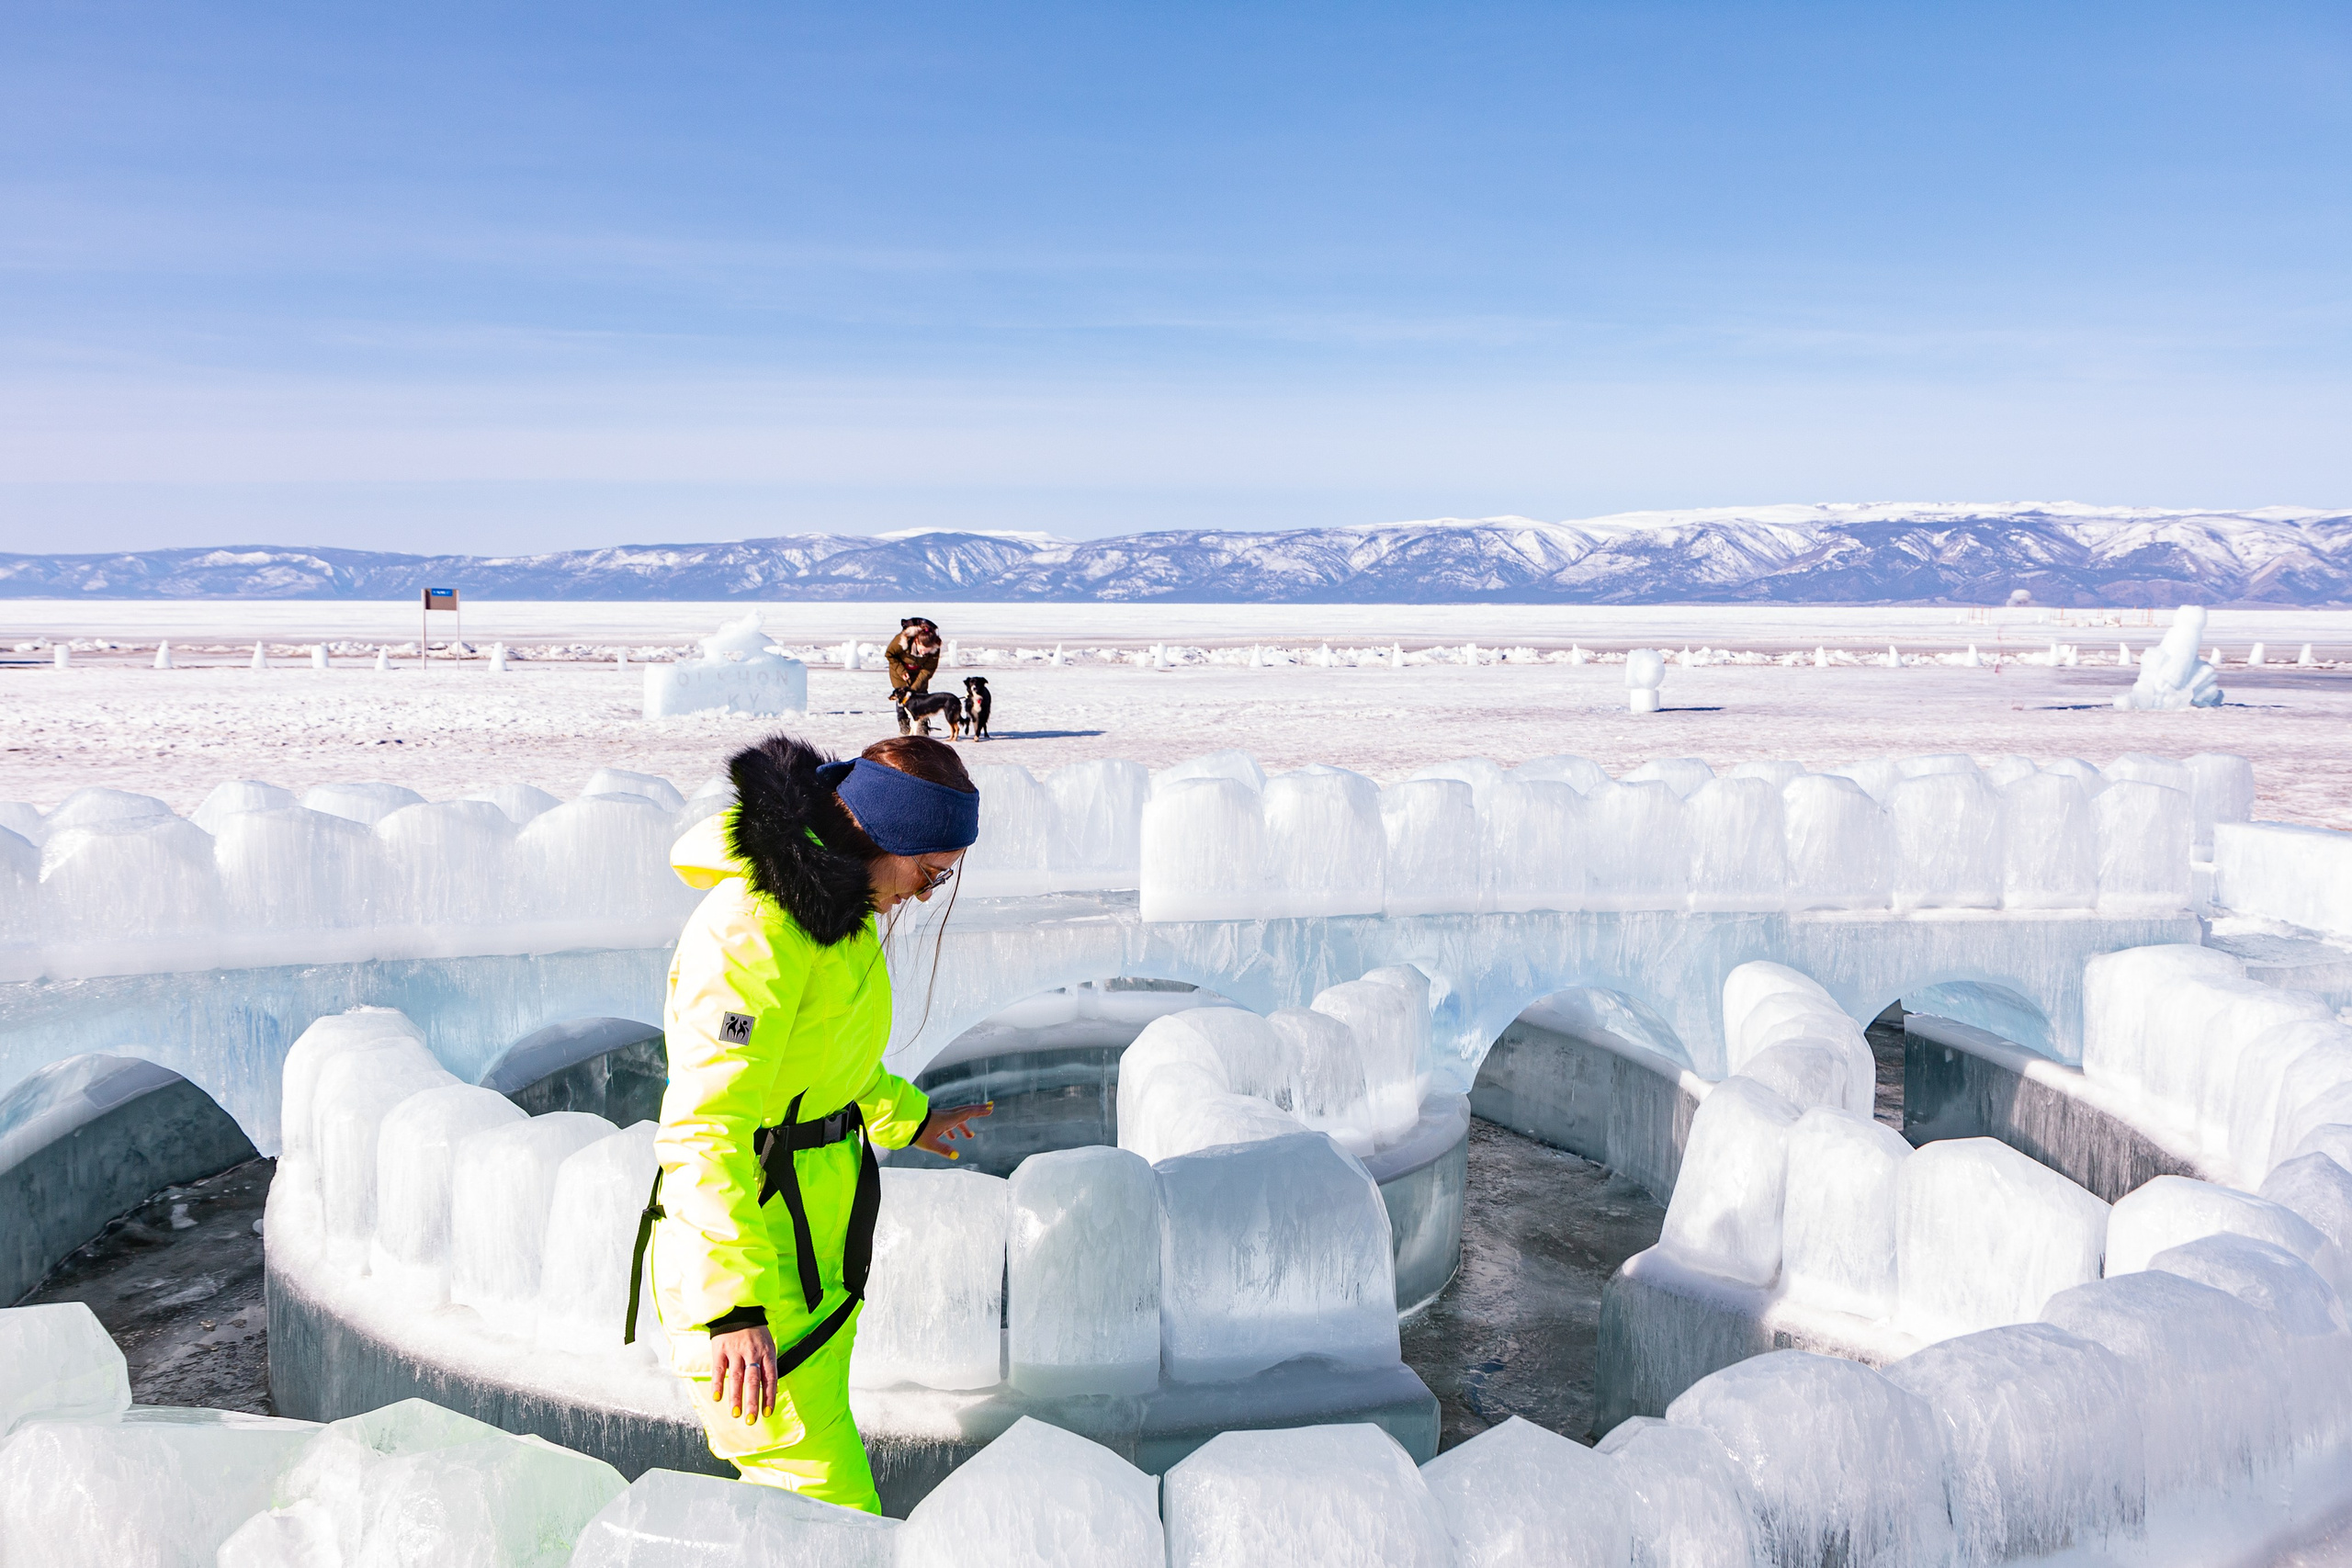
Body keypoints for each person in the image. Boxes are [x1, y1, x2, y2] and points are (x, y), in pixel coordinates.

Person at [640, 732, 990, 1512]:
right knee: (835, 1520)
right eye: (930, 872)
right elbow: (706, 1121)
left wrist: (910, 1117)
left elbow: (831, 1063)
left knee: (806, 1521)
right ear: (882, 836)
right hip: (750, 1279)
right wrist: (733, 1305)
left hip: (808, 1262)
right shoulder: (756, 930)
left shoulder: (838, 910)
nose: (928, 894)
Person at [885, 617, 941, 699]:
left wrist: (913, 690)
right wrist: (901, 671)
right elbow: (890, 654)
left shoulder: (935, 648)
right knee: (903, 700)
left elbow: (928, 670)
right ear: (917, 641)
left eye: (927, 652)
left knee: (920, 699)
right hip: (900, 672)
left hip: (919, 674)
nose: (923, 653)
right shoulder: (901, 640)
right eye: (922, 650)